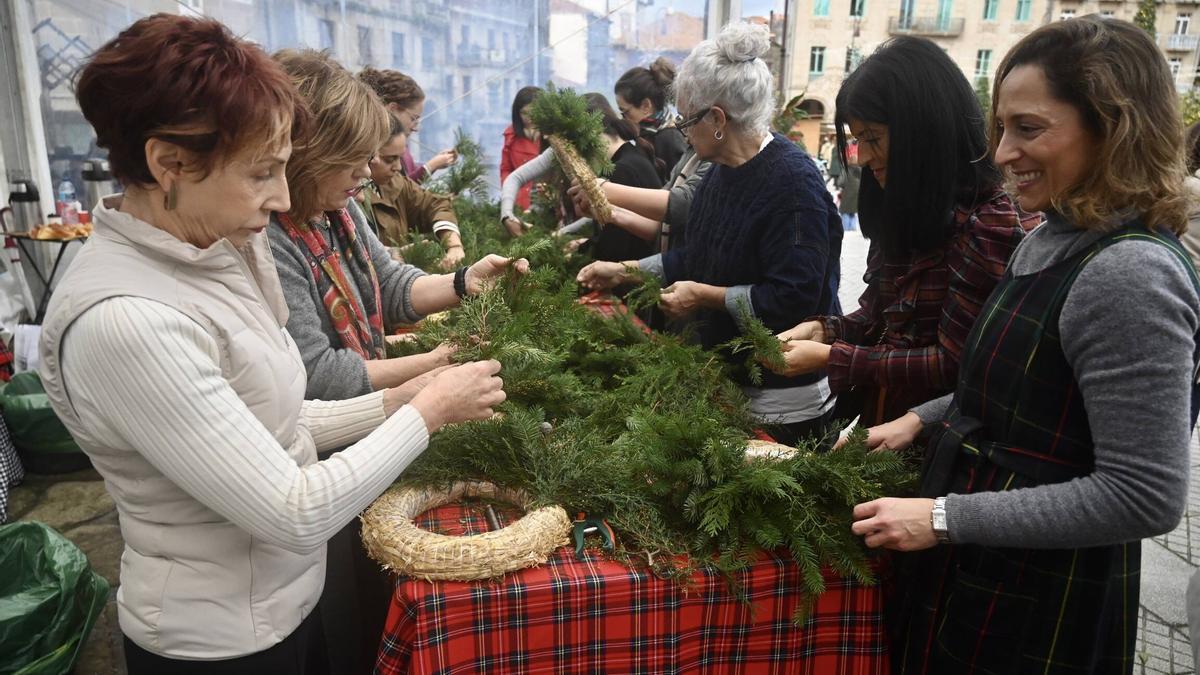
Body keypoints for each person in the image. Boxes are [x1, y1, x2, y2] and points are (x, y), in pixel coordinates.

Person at [37, 15, 506, 674]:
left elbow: (275, 417)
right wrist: (422, 413)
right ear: (168, 162)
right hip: (221, 642)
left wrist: (395, 397)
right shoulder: (126, 323)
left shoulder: (214, 251)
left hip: (286, 605)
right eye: (262, 173)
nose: (283, 196)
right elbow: (292, 509)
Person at [849, 17, 1200, 673]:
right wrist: (919, 418)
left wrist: (945, 518)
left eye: (1029, 128)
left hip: (1044, 604)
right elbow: (1013, 384)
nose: (1003, 151)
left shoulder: (1130, 275)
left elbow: (1143, 496)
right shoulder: (1048, 237)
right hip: (983, 575)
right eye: (1001, 127)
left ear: (1113, 127)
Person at [268, 49, 525, 674]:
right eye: (354, 158)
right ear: (308, 155)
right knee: (341, 609)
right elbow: (320, 377)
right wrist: (433, 366)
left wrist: (466, 281)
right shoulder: (272, 239)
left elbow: (388, 284)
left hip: (363, 429)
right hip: (328, 449)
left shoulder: (338, 208)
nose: (369, 172)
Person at [577, 22, 843, 446]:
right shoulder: (720, 175)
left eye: (687, 122)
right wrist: (621, 270)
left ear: (717, 119)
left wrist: (704, 296)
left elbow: (793, 298)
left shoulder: (794, 186)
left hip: (782, 406)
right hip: (727, 383)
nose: (682, 132)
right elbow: (694, 257)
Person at [765, 37, 1035, 428]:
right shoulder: (902, 204)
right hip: (884, 427)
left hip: (937, 442)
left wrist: (831, 357)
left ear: (922, 131)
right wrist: (825, 329)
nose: (863, 156)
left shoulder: (990, 222)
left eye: (872, 138)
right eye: (857, 140)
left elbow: (954, 363)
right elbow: (881, 317)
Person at [500, 93, 662, 263]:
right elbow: (614, 232)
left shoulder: (622, 171)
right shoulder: (625, 159)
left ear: (586, 135)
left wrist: (581, 249)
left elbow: (615, 250)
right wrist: (586, 243)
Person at [362, 115, 465, 268]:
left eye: (399, 159)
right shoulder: (348, 199)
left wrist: (454, 245)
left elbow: (434, 204)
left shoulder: (395, 183)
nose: (397, 167)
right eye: (390, 159)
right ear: (368, 155)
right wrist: (395, 254)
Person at [358, 67, 455, 183]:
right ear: (393, 109)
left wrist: (435, 163)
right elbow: (400, 189)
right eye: (413, 118)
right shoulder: (378, 146)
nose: (415, 127)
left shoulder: (399, 142)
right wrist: (432, 165)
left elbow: (408, 173)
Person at [615, 57, 687, 182]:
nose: (623, 119)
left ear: (646, 106)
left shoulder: (669, 138)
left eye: (626, 112)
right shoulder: (647, 135)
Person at [499, 86, 544, 213]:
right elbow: (505, 169)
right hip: (518, 199)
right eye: (524, 113)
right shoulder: (511, 135)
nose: (528, 118)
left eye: (533, 113)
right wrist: (509, 195)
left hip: (545, 199)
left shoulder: (552, 136)